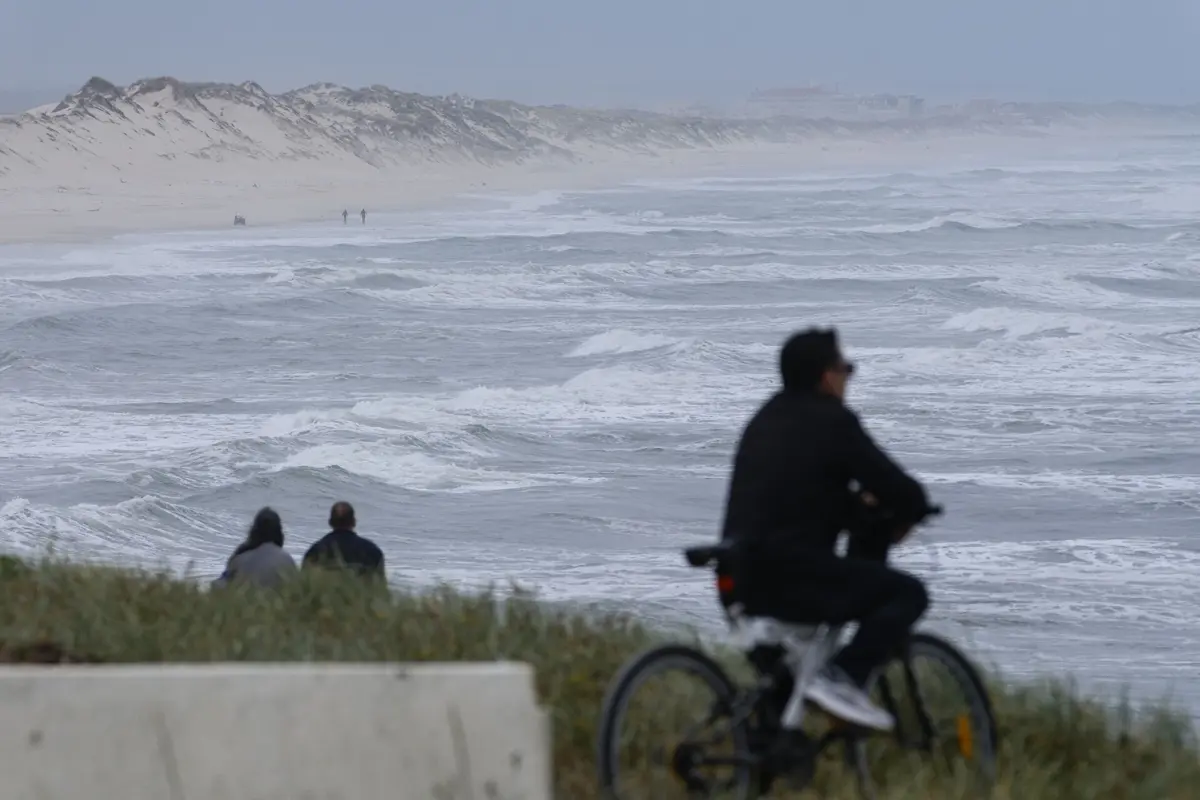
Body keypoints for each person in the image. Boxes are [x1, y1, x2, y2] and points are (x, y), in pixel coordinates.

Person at [719, 327, 934, 731]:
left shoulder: (763, 420)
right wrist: (914, 508)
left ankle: (771, 752)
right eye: (845, 368)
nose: (849, 377)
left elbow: (801, 498)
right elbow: (896, 485)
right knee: (909, 593)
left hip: (739, 574)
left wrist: (858, 510)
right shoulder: (832, 420)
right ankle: (843, 678)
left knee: (779, 699)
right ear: (826, 376)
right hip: (793, 578)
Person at [212, 507, 298, 589]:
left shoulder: (241, 559)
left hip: (246, 602)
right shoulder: (288, 560)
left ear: (254, 531)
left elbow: (219, 585)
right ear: (279, 532)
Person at [301, 501, 385, 580]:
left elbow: (304, 584)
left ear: (330, 522)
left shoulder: (315, 551)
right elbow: (380, 586)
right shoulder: (372, 551)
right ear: (354, 522)